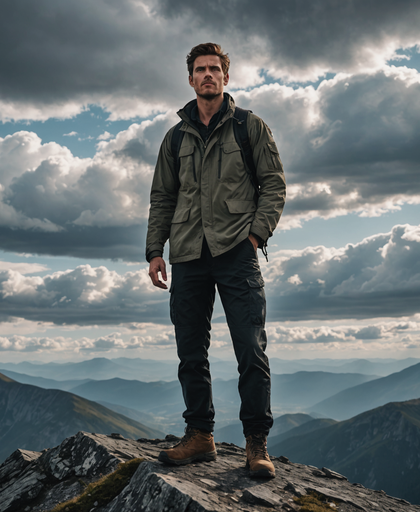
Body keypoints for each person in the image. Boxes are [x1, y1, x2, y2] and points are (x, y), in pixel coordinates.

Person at [146, 42, 286, 478]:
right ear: (190, 79)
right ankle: (200, 437)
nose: (208, 75)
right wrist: (155, 250)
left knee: (250, 348)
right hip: (187, 253)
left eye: (215, 69)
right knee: (190, 349)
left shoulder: (249, 127)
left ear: (226, 77)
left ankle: (256, 444)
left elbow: (274, 185)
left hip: (235, 253)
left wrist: (256, 235)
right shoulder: (175, 137)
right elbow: (163, 197)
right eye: (200, 70)